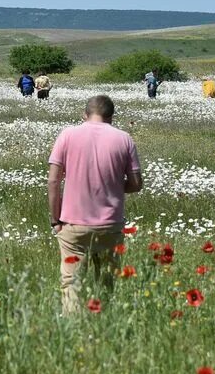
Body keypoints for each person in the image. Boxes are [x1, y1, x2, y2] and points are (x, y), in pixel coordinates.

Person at [48, 95, 143, 315]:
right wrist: (112, 186)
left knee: (72, 283)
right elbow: (136, 184)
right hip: (111, 225)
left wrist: (56, 221)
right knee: (107, 282)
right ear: (111, 117)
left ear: (84, 114)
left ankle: (73, 331)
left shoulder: (67, 135)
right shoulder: (124, 138)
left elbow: (53, 181)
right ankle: (104, 326)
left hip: (73, 225)